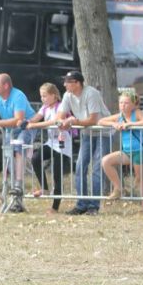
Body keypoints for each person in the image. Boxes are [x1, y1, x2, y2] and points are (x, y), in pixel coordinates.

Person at [57, 70, 111, 215]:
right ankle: (81, 204)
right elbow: (60, 114)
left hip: (102, 132)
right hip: (87, 132)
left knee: (97, 168)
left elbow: (93, 120)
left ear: (77, 83)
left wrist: (74, 121)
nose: (64, 84)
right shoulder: (67, 95)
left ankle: (93, 205)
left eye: (67, 82)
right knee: (80, 166)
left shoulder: (91, 93)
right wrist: (61, 122)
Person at [0, 73, 36, 209]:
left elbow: (19, 119)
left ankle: (17, 185)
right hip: (8, 129)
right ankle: (13, 192)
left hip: (26, 127)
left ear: (6, 86)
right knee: (8, 155)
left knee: (18, 149)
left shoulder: (18, 96)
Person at [99, 90, 143, 212]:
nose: (123, 105)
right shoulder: (120, 116)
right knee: (106, 161)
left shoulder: (136, 113)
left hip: (140, 151)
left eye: (126, 103)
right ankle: (118, 188)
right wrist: (114, 125)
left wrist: (130, 124)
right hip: (126, 152)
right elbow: (101, 121)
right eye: (121, 102)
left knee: (140, 181)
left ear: (133, 104)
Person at [26, 83, 74, 214]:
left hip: (63, 144)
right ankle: (45, 188)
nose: (43, 99)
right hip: (51, 142)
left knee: (57, 174)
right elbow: (35, 118)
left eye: (45, 96)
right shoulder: (45, 107)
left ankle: (55, 207)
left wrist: (35, 126)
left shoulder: (60, 107)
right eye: (41, 96)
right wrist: (27, 122)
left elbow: (53, 122)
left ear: (54, 96)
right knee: (35, 158)